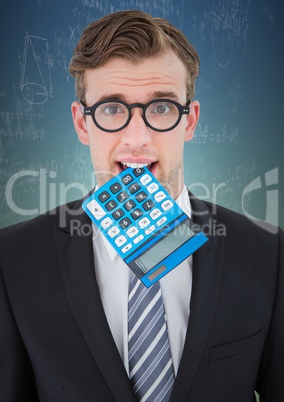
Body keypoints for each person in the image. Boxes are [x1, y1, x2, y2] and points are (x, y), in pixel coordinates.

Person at [0, 9, 283, 402]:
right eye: (112, 108)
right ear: (83, 124)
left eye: (162, 107)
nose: (137, 137)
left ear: (190, 121)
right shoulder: (12, 258)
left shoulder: (268, 252)